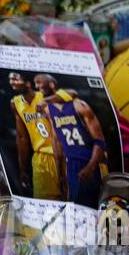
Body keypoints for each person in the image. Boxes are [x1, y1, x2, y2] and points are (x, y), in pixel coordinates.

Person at [36, 74, 109, 209]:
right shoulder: (49, 111)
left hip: (92, 161)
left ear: (52, 84)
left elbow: (100, 141)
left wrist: (90, 167)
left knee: (97, 207)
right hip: (71, 164)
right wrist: (60, 174)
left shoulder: (79, 105)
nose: (37, 86)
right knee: (77, 208)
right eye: (36, 83)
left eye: (40, 82)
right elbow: (57, 141)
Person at [9, 70, 65, 200]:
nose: (12, 82)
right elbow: (22, 137)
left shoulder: (46, 96)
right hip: (41, 158)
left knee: (68, 199)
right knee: (45, 204)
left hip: (62, 154)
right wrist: (22, 168)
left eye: (16, 78)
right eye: (10, 79)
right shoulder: (15, 103)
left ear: (28, 83)